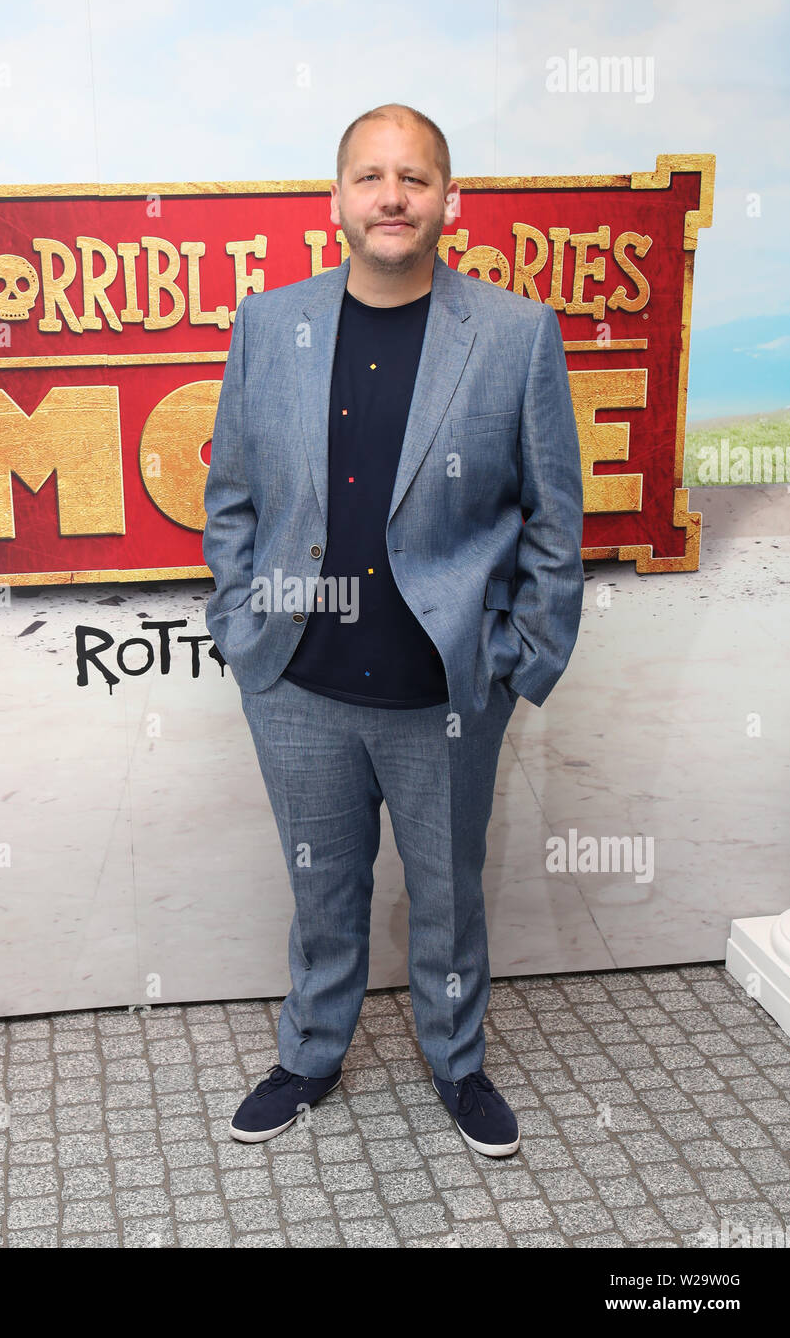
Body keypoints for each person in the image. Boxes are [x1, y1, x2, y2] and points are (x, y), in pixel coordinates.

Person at [202, 103, 584, 1158]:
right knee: (321, 886)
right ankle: (312, 1053)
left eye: (413, 177)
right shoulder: (269, 327)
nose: (391, 196)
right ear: (336, 201)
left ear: (447, 202)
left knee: (450, 897)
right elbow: (232, 496)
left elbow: (556, 518)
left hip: (446, 694)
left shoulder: (513, 336)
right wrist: (242, 628)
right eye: (369, 176)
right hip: (297, 682)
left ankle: (456, 1065)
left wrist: (520, 660)